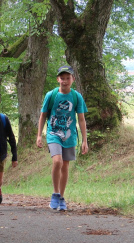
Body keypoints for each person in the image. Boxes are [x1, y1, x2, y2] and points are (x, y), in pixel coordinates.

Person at [37, 65, 88, 211]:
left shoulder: (76, 96)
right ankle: (55, 193)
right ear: (58, 79)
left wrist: (85, 140)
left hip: (69, 136)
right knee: (57, 161)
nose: (65, 81)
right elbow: (43, 116)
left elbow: (82, 119)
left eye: (68, 78)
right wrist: (39, 135)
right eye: (62, 78)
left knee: (65, 166)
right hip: (53, 134)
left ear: (73, 79)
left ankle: (61, 198)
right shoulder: (51, 95)